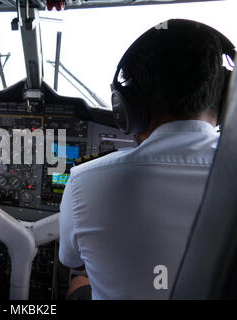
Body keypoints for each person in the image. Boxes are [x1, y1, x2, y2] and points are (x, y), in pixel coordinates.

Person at [58, 19, 235, 300]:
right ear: (227, 101)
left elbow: (73, 261)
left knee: (79, 284)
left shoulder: (83, 182)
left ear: (128, 108)